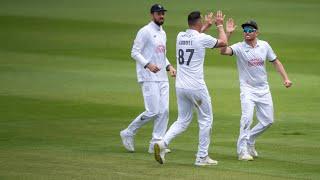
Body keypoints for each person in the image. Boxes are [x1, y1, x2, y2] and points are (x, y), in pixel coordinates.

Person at [154, 10, 228, 166]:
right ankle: (202, 157)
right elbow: (223, 42)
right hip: (196, 87)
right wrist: (219, 25)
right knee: (206, 119)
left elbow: (196, 37)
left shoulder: (181, 36)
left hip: (180, 85)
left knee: (182, 120)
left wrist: (206, 25)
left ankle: (162, 143)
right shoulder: (201, 38)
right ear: (198, 23)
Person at [220, 19, 292, 160]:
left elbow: (275, 61)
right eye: (245, 30)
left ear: (257, 32)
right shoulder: (239, 47)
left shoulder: (264, 45)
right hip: (247, 89)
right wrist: (227, 34)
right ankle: (242, 151)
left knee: (268, 121)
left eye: (250, 30)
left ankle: (250, 139)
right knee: (246, 119)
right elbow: (223, 51)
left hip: (263, 88)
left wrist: (286, 78)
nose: (246, 33)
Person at [120, 4, 176, 153]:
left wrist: (169, 66)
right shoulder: (144, 31)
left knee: (164, 111)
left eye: (163, 13)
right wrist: (148, 65)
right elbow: (134, 52)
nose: (161, 16)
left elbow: (162, 55)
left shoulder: (162, 32)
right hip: (148, 76)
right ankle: (128, 132)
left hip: (162, 77)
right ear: (152, 15)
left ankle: (156, 143)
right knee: (152, 111)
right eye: (159, 13)